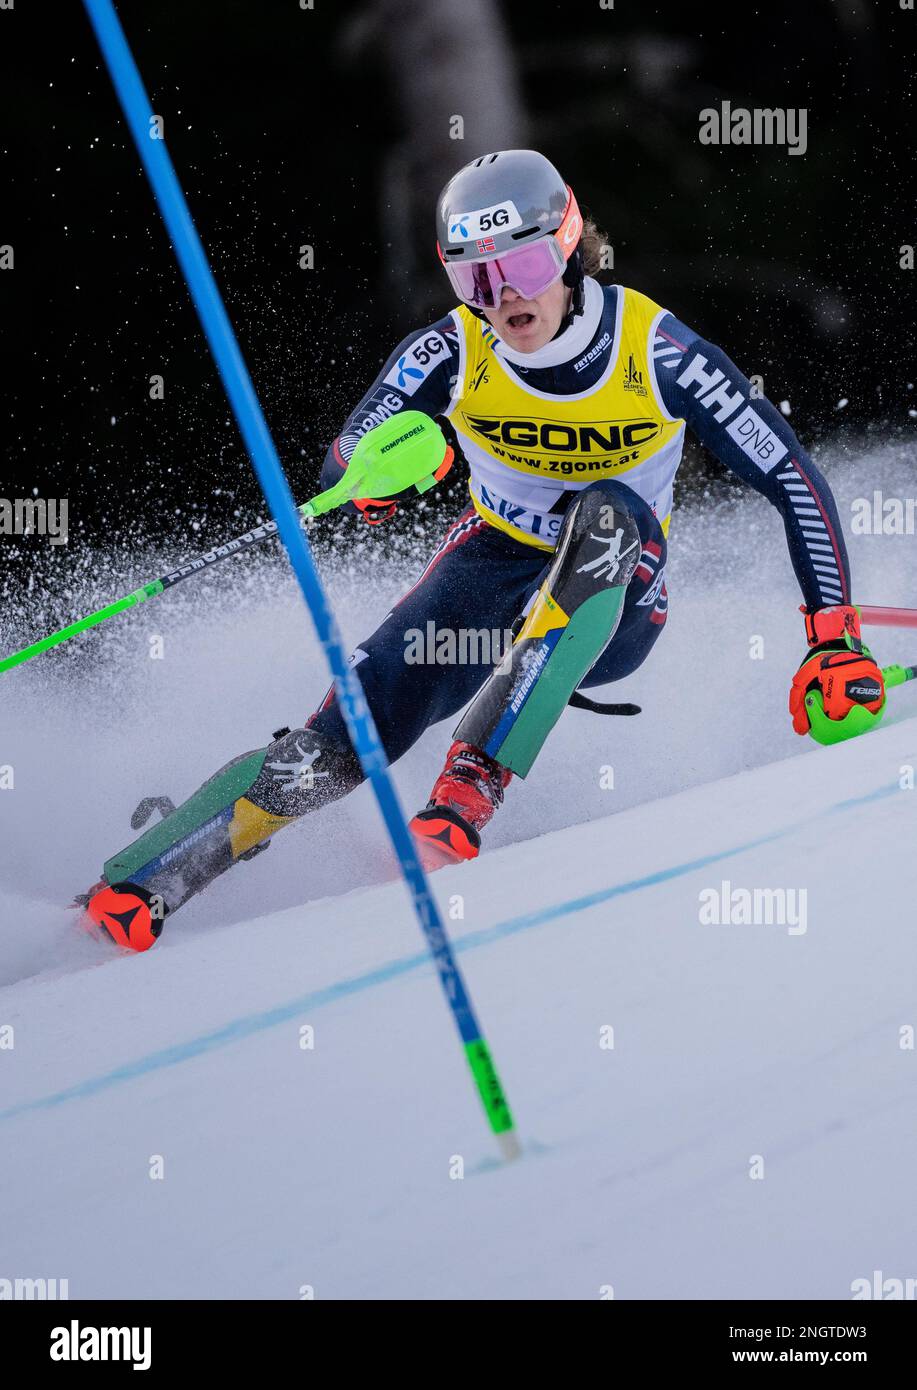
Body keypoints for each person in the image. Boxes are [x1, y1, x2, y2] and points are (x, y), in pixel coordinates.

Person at [82, 148, 885, 948]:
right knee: (352, 725)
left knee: (604, 511)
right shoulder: (451, 347)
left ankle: (473, 780)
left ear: (568, 246)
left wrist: (833, 637)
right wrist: (379, 473)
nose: (503, 296)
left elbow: (790, 475)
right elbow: (347, 451)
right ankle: (144, 882)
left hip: (617, 595)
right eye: (474, 277)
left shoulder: (657, 350)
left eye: (524, 264)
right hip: (492, 569)